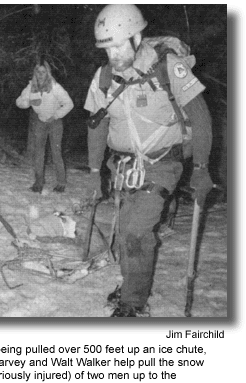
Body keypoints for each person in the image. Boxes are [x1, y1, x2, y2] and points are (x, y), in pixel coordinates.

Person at [87, 5, 213, 317]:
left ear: (137, 37)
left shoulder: (168, 67)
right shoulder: (104, 76)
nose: (113, 54)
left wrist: (201, 168)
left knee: (135, 232)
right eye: (107, 48)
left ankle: (133, 302)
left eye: (118, 45)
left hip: (162, 164)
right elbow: (97, 123)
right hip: (123, 168)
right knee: (128, 231)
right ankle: (133, 284)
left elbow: (200, 115)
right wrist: (93, 170)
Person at [16, 58, 74, 193]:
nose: (40, 74)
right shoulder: (31, 87)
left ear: (47, 72)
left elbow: (69, 104)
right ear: (35, 73)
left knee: (56, 152)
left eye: (43, 71)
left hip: (55, 122)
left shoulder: (55, 87)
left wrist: (56, 115)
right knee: (39, 153)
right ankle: (38, 181)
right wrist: (29, 102)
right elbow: (19, 102)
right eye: (38, 71)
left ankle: (61, 182)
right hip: (40, 122)